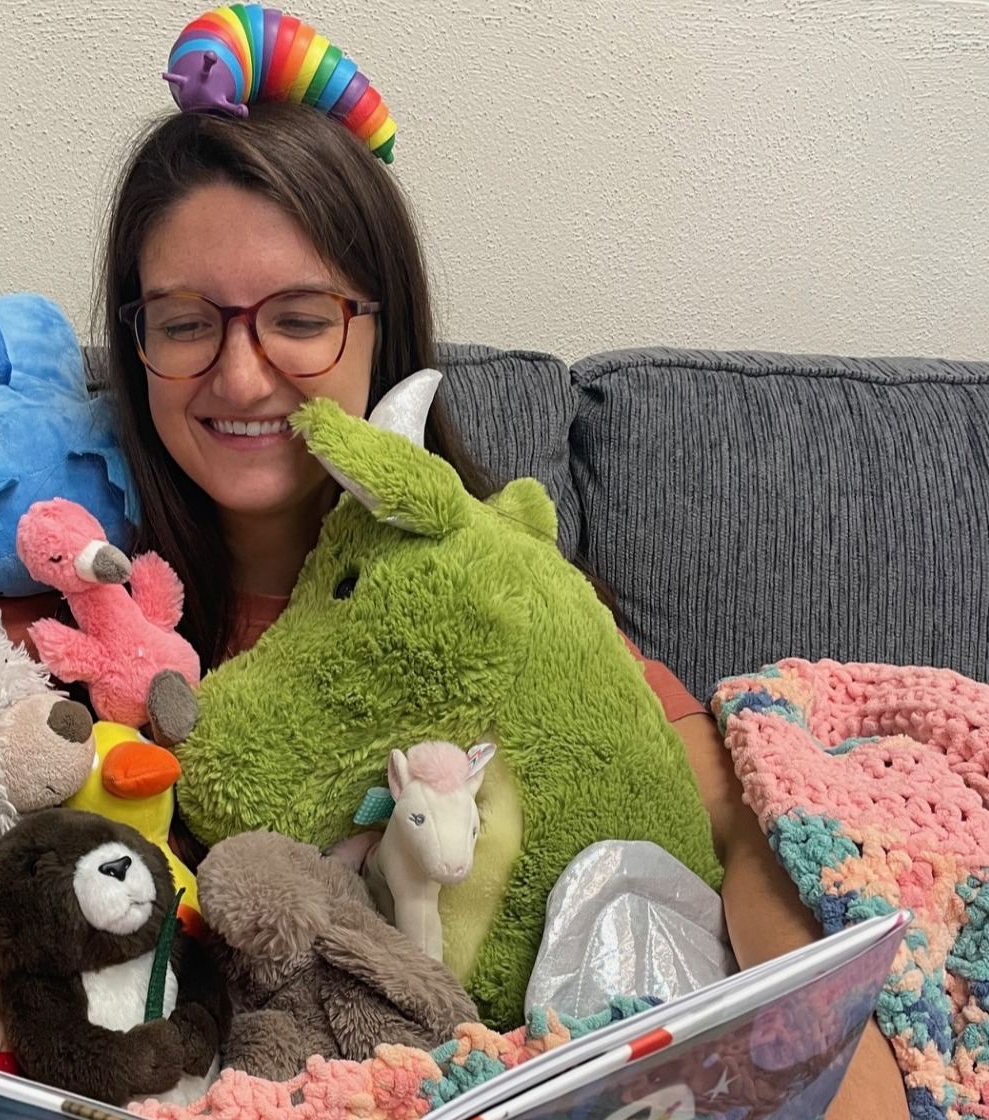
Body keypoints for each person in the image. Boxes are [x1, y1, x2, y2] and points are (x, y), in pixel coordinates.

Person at [93, 98, 909, 1120]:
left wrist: (816, 1044)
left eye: (298, 318)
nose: (243, 372)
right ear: (134, 344)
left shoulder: (481, 585)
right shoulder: (86, 613)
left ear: (380, 331)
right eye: (184, 324)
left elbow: (723, 815)